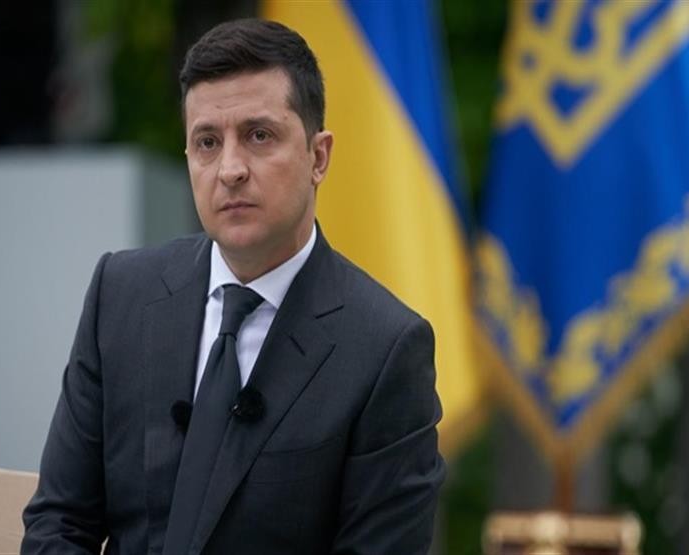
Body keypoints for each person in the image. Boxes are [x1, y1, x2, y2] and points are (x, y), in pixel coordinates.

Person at [22, 18, 445, 555]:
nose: (230, 170)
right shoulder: (120, 295)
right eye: (207, 142)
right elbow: (58, 523)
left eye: (258, 136)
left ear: (318, 157)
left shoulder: (386, 349)